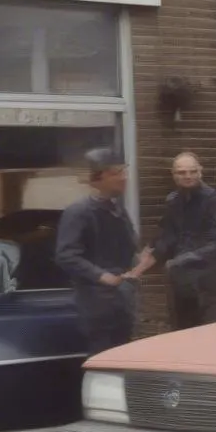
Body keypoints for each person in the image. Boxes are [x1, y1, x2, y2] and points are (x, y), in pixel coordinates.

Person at [55, 148, 149, 355]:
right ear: (97, 178)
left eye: (124, 172)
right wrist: (102, 276)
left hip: (123, 303)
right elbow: (66, 255)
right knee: (103, 363)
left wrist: (139, 261)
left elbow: (128, 246)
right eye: (116, 173)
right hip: (97, 305)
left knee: (124, 358)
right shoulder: (79, 212)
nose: (124, 178)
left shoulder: (118, 210)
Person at [144, 151, 216, 329]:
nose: (188, 176)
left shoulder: (213, 200)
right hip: (179, 279)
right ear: (173, 175)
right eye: (182, 172)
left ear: (200, 172)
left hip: (206, 278)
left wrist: (184, 259)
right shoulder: (173, 200)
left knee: (212, 331)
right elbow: (167, 236)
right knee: (181, 331)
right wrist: (147, 257)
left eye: (192, 171)